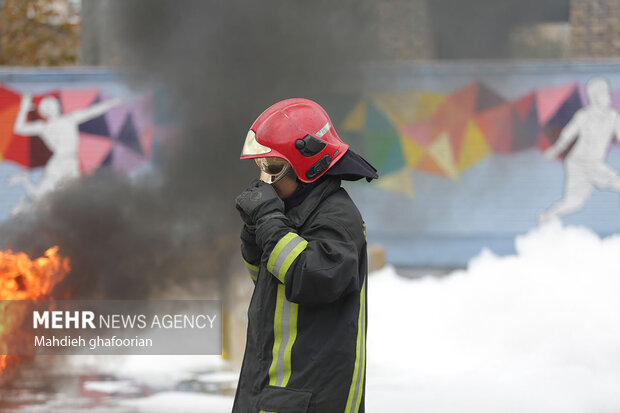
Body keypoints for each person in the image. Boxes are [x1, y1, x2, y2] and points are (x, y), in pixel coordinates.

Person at [233, 98, 378, 413]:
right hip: (277, 394)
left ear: (307, 165)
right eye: (261, 168)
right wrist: (253, 234)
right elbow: (269, 283)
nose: (265, 181)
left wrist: (270, 221)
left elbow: (312, 277)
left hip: (308, 399)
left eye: (273, 168)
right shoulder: (297, 211)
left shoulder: (337, 218)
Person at [8, 93, 122, 214]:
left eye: (54, 104)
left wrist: (112, 103)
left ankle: (25, 185)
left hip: (71, 162)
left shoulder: (68, 119)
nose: (54, 106)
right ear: (44, 111)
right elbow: (19, 128)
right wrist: (24, 106)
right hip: (59, 162)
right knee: (42, 196)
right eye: (49, 106)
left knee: (75, 196)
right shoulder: (44, 126)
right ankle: (24, 196)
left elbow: (92, 112)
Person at [540, 77, 620, 223]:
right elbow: (568, 134)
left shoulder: (613, 117)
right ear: (595, 97)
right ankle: (548, 216)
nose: (608, 97)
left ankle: (548, 216)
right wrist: (555, 149)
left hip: (595, 165)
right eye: (604, 93)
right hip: (577, 164)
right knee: (574, 201)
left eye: (608, 92)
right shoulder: (584, 116)